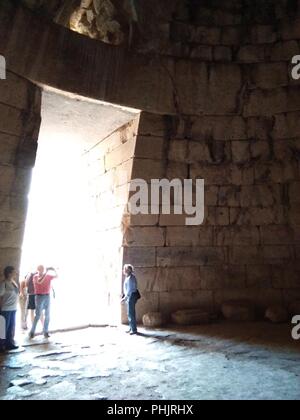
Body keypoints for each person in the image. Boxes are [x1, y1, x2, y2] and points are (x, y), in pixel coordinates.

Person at [29, 266, 58, 340]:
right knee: (38, 315)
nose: (42, 270)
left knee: (47, 315)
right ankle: (32, 332)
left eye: (43, 269)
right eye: (40, 269)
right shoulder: (35, 276)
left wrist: (54, 270)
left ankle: (45, 331)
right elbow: (39, 281)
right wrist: (46, 273)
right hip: (39, 297)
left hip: (47, 296)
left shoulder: (48, 276)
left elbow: (57, 276)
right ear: (38, 270)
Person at [0, 266, 19, 352]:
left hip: (13, 307)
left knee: (11, 326)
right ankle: (1, 345)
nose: (15, 273)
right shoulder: (4, 283)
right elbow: (0, 295)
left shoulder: (13, 282)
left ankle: (9, 344)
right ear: (9, 273)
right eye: (14, 272)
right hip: (6, 308)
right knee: (4, 328)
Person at [121, 264, 140, 336]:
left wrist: (124, 298)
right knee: (129, 313)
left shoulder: (131, 278)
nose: (124, 270)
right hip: (130, 296)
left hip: (131, 296)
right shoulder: (128, 277)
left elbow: (130, 290)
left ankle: (134, 329)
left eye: (125, 269)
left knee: (131, 313)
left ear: (128, 270)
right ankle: (131, 328)